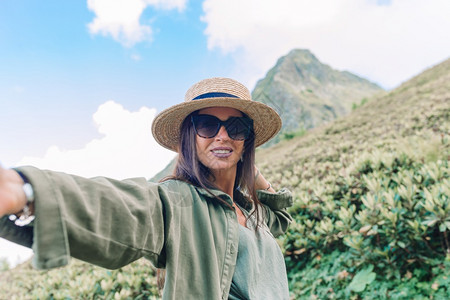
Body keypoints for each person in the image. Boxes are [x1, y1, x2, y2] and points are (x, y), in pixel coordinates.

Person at [0, 77, 293, 299]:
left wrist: (252, 174)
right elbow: (124, 208)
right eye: (206, 124)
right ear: (189, 137)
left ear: (247, 140)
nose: (222, 136)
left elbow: (280, 217)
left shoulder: (248, 209)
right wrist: (25, 188)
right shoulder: (179, 202)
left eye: (236, 127)